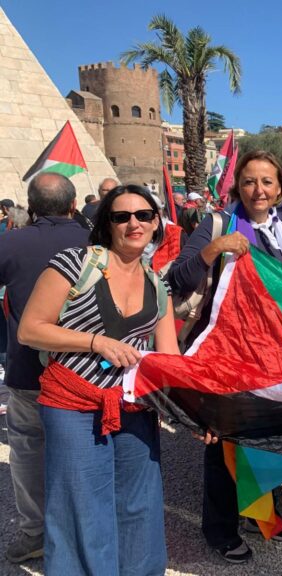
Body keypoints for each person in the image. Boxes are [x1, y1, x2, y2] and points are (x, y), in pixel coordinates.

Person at [17, 184, 178, 575]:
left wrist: (200, 411)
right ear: (107, 224)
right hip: (71, 403)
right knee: (81, 506)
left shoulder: (159, 285)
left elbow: (169, 359)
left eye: (143, 215)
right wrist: (95, 343)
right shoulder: (74, 264)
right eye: (121, 216)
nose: (133, 223)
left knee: (138, 504)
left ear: (156, 223)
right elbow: (30, 329)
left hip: (132, 407)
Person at [167, 150, 282, 564]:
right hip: (224, 353)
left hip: (271, 355)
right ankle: (220, 528)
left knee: (265, 437)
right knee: (221, 439)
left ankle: (260, 513)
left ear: (279, 188)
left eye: (267, 182)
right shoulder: (218, 222)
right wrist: (214, 249)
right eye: (250, 181)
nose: (259, 190)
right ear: (238, 185)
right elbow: (178, 277)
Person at [0, 173, 90, 564]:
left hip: (29, 372)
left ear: (30, 207)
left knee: (29, 451)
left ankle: (35, 532)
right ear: (73, 205)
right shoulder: (99, 244)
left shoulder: (10, 242)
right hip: (89, 372)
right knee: (87, 453)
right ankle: (84, 530)